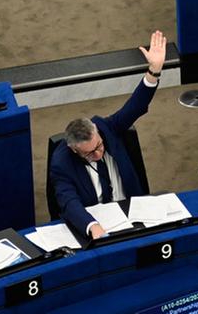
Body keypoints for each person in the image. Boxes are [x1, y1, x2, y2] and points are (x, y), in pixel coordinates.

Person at [48, 31, 166, 239]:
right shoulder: (61, 162)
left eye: (99, 146)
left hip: (134, 216)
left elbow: (135, 107)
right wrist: (93, 227)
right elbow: (69, 203)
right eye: (90, 153)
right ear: (74, 149)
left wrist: (154, 71)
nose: (98, 154)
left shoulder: (106, 128)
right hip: (99, 225)